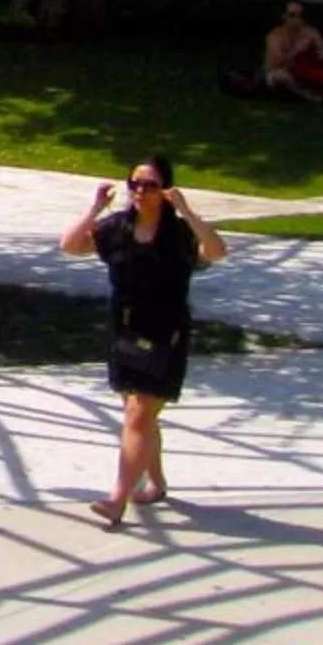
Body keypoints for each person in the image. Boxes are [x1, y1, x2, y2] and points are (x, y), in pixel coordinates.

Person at [60, 153, 228, 528]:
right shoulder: (117, 227)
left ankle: (117, 499)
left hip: (165, 333)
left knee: (138, 414)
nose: (140, 191)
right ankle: (158, 483)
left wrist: (187, 211)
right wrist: (95, 209)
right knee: (139, 415)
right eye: (135, 184)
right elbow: (70, 245)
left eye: (150, 185)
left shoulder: (179, 235)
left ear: (165, 190)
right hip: (124, 330)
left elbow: (216, 251)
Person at [262, 2, 323, 103]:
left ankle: (318, 93)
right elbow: (277, 62)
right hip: (279, 71)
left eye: (300, 15)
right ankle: (309, 96)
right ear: (284, 17)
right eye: (292, 15)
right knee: (283, 76)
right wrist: (296, 51)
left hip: (303, 70)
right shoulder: (275, 35)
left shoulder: (311, 31)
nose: (297, 19)